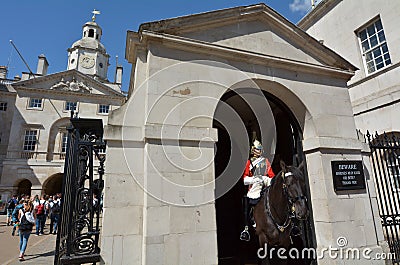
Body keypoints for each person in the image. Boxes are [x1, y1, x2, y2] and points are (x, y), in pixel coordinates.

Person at [240, 139, 275, 242]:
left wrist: (265, 179)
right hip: (253, 189)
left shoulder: (266, 162)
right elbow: (245, 179)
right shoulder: (249, 163)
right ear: (253, 150)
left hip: (264, 187)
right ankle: (246, 229)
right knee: (247, 204)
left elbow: (272, 176)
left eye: (260, 149)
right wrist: (255, 179)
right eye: (257, 149)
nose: (259, 151)